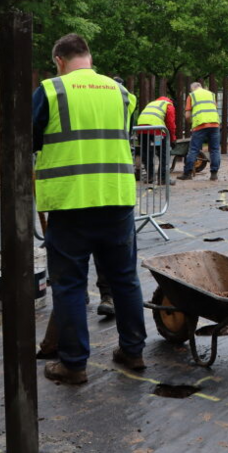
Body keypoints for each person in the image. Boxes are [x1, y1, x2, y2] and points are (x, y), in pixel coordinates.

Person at [33, 33, 146, 385]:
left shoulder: (51, 90)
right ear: (89, 58)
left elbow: (31, 138)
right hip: (116, 200)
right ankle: (133, 351)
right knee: (124, 280)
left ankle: (74, 363)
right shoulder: (121, 93)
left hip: (71, 204)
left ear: (59, 61)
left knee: (68, 285)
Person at [181, 81, 221, 181]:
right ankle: (214, 174)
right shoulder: (211, 94)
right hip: (214, 124)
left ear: (193, 88)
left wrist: (191, 122)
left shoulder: (192, 95)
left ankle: (187, 173)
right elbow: (215, 108)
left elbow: (187, 115)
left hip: (200, 125)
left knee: (194, 149)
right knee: (215, 149)